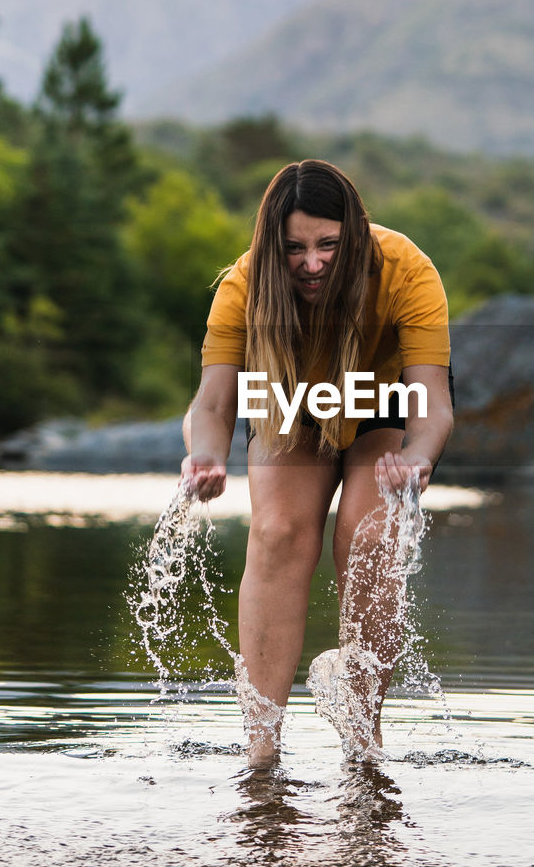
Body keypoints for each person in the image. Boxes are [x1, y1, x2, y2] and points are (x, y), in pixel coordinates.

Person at [181, 159, 453, 767]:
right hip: (290, 399)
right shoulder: (243, 284)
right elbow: (214, 401)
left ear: (353, 233)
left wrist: (416, 458)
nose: (311, 263)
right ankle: (260, 749)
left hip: (384, 403)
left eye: (328, 244)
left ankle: (363, 735)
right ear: (269, 246)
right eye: (294, 248)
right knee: (277, 531)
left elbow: (433, 403)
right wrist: (204, 454)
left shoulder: (406, 269)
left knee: (372, 531)